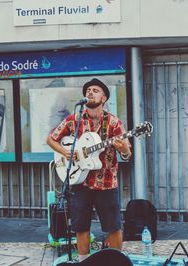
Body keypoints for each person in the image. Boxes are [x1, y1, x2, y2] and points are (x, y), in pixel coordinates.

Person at [46, 78, 132, 262]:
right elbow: (51, 139)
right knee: (81, 226)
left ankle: (116, 261)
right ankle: (83, 261)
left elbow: (127, 154)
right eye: (88, 90)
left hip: (107, 182)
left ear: (104, 98)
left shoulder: (114, 123)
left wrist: (123, 148)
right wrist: (66, 152)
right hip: (80, 181)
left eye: (95, 90)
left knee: (113, 227)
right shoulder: (74, 120)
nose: (90, 92)